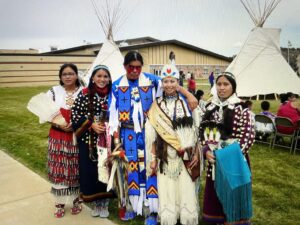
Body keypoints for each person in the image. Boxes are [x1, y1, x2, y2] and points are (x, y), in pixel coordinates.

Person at [108, 50, 198, 224]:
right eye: (131, 67)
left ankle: (152, 209)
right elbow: (113, 115)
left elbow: (171, 85)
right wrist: (117, 141)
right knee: (131, 169)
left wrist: (189, 94)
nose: (134, 70)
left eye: (138, 67)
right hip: (128, 135)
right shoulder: (117, 85)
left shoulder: (152, 81)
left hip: (151, 131)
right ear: (125, 66)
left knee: (151, 168)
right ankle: (132, 206)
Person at [145, 64, 200, 225]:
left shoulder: (187, 102)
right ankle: (169, 217)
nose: (169, 84)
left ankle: (186, 217)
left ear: (178, 82)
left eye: (172, 81)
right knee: (167, 189)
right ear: (161, 83)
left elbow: (197, 130)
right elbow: (151, 135)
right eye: (166, 81)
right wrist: (153, 158)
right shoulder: (156, 105)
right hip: (164, 154)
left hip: (185, 154)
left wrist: (196, 153)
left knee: (185, 188)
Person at [199, 71, 255, 225]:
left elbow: (247, 138)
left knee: (233, 199)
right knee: (215, 199)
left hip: (235, 162)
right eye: (219, 84)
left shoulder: (243, 109)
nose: (222, 88)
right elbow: (202, 135)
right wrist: (206, 151)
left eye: (226, 84)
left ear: (233, 86)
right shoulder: (210, 107)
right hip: (213, 163)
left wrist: (223, 155)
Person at [71, 65, 114, 218]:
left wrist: (109, 127)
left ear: (109, 79)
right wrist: (91, 125)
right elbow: (75, 114)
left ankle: (106, 203)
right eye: (99, 76)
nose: (102, 79)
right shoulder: (84, 94)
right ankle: (96, 202)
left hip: (109, 139)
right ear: (93, 78)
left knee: (107, 168)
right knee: (92, 170)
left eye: (105, 76)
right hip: (89, 141)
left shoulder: (114, 94)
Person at [46, 63, 82, 218]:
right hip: (58, 135)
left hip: (76, 135)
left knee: (75, 167)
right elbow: (45, 113)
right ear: (60, 77)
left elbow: (88, 113)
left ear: (76, 75)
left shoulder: (82, 92)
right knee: (59, 168)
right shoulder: (53, 92)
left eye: (71, 73)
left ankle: (76, 200)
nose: (68, 76)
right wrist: (59, 125)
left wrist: (75, 125)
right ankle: (59, 203)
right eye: (64, 74)